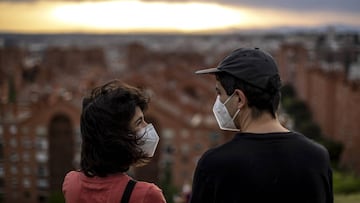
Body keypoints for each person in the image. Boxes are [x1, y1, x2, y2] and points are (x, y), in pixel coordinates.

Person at [190, 48, 333, 203]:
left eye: (219, 93)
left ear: (239, 99)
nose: (217, 101)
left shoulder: (214, 165)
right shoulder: (317, 158)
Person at [62, 80, 166, 203]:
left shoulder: (72, 184)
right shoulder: (147, 195)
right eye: (139, 122)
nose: (147, 127)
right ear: (118, 137)